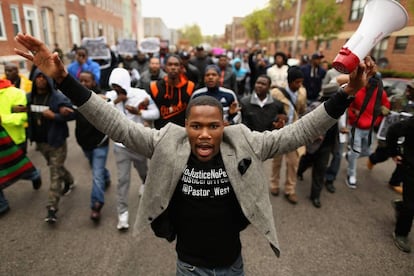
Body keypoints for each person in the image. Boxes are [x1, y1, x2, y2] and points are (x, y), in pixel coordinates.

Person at [14, 32, 369, 275]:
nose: (204, 134)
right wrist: (63, 80)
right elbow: (114, 124)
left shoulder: (244, 140)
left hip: (233, 265)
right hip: (188, 266)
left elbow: (300, 131)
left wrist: (347, 95)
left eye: (213, 126)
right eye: (195, 125)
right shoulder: (167, 141)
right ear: (185, 125)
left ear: (224, 125)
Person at [105, 68, 160, 230]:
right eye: (113, 86)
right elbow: (103, 113)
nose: (116, 89)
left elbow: (155, 113)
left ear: (125, 83)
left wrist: (139, 112)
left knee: (144, 171)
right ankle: (123, 214)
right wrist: (115, 101)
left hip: (138, 143)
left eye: (119, 86)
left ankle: (144, 183)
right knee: (122, 179)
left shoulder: (140, 94)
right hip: (120, 146)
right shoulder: (111, 97)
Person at [27, 68, 76, 223]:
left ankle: (52, 208)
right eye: (38, 77)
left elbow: (73, 113)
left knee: (54, 172)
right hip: (41, 143)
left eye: (43, 77)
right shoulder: (30, 97)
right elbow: (24, 110)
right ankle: (69, 180)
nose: (41, 80)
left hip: (57, 142)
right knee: (57, 166)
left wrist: (55, 115)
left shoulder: (57, 98)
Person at [345, 58, 390, 188]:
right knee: (355, 151)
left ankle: (350, 156)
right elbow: (348, 105)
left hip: (370, 128)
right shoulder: (359, 89)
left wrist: (377, 121)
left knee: (367, 152)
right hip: (356, 127)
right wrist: (354, 116)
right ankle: (351, 174)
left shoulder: (381, 93)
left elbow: (386, 108)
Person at [0, 78, 42, 214]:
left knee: (18, 168)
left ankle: (34, 175)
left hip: (14, 140)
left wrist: (3, 119)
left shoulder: (16, 93)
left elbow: (24, 115)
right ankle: (2, 204)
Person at [297, 84, 341, 208]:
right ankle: (299, 172)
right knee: (306, 161)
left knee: (320, 170)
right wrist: (314, 134)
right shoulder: (316, 107)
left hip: (327, 145)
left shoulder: (339, 107)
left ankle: (315, 196)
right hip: (314, 144)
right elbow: (302, 120)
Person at [75, 71, 111, 222]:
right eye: (81, 81)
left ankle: (96, 204)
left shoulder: (101, 97)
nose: (83, 84)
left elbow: (110, 103)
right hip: (84, 143)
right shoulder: (74, 96)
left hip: (100, 143)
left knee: (96, 175)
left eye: (87, 81)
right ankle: (106, 177)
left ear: (93, 83)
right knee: (98, 170)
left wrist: (104, 100)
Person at [367, 79, 414, 194]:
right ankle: (373, 159)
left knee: (403, 162)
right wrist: (384, 110)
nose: (409, 91)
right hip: (389, 134)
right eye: (409, 88)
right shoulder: (396, 98)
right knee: (383, 155)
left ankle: (394, 182)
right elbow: (379, 106)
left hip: (406, 139)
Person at [269, 66, 307, 204]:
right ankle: (274, 185)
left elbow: (302, 110)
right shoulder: (276, 93)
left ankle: (290, 190)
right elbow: (271, 111)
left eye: (301, 82)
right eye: (297, 82)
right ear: (290, 81)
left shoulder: (302, 92)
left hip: (294, 133)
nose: (299, 85)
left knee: (293, 163)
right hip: (280, 133)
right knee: (276, 161)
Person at [387, 116, 414, 253]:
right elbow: (393, 130)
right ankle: (401, 234)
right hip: (411, 168)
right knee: (411, 206)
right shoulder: (411, 123)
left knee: (409, 204)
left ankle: (400, 206)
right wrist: (394, 152)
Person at [147, 55, 195, 129]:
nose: (173, 67)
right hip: (160, 132)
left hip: (182, 132)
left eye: (176, 65)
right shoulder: (155, 87)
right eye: (170, 65)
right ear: (165, 67)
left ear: (181, 67)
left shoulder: (189, 87)